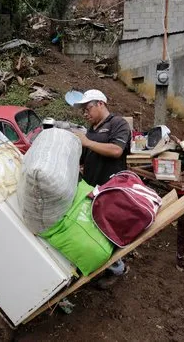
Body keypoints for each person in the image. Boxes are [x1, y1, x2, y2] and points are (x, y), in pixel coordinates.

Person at [72, 89, 131, 289]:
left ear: (100, 104)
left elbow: (116, 150)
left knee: (109, 229)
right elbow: (85, 157)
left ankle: (118, 269)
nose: (85, 113)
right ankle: (101, 263)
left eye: (88, 108)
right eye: (83, 111)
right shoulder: (91, 129)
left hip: (111, 187)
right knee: (93, 227)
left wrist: (87, 141)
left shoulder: (118, 124)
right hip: (91, 187)